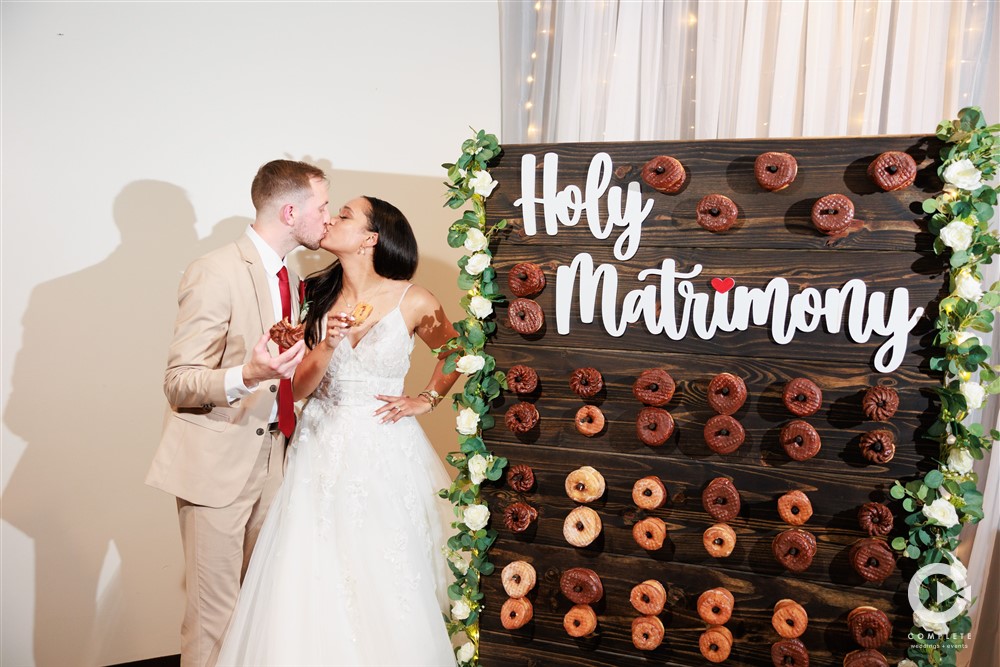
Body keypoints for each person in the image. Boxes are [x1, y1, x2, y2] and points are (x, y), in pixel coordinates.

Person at [216, 196, 460, 666]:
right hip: (319, 445)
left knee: (386, 566)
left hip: (386, 448)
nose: (330, 219)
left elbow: (457, 350)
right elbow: (302, 385)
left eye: (344, 215)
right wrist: (325, 343)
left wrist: (426, 399)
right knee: (312, 566)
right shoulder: (315, 295)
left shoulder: (414, 299)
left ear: (371, 238)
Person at [146, 160, 331, 667]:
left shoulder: (288, 274)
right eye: (323, 207)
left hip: (275, 458)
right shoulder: (215, 270)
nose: (328, 218)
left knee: (257, 610)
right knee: (214, 621)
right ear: (291, 211)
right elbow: (178, 381)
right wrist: (247, 374)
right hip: (216, 466)